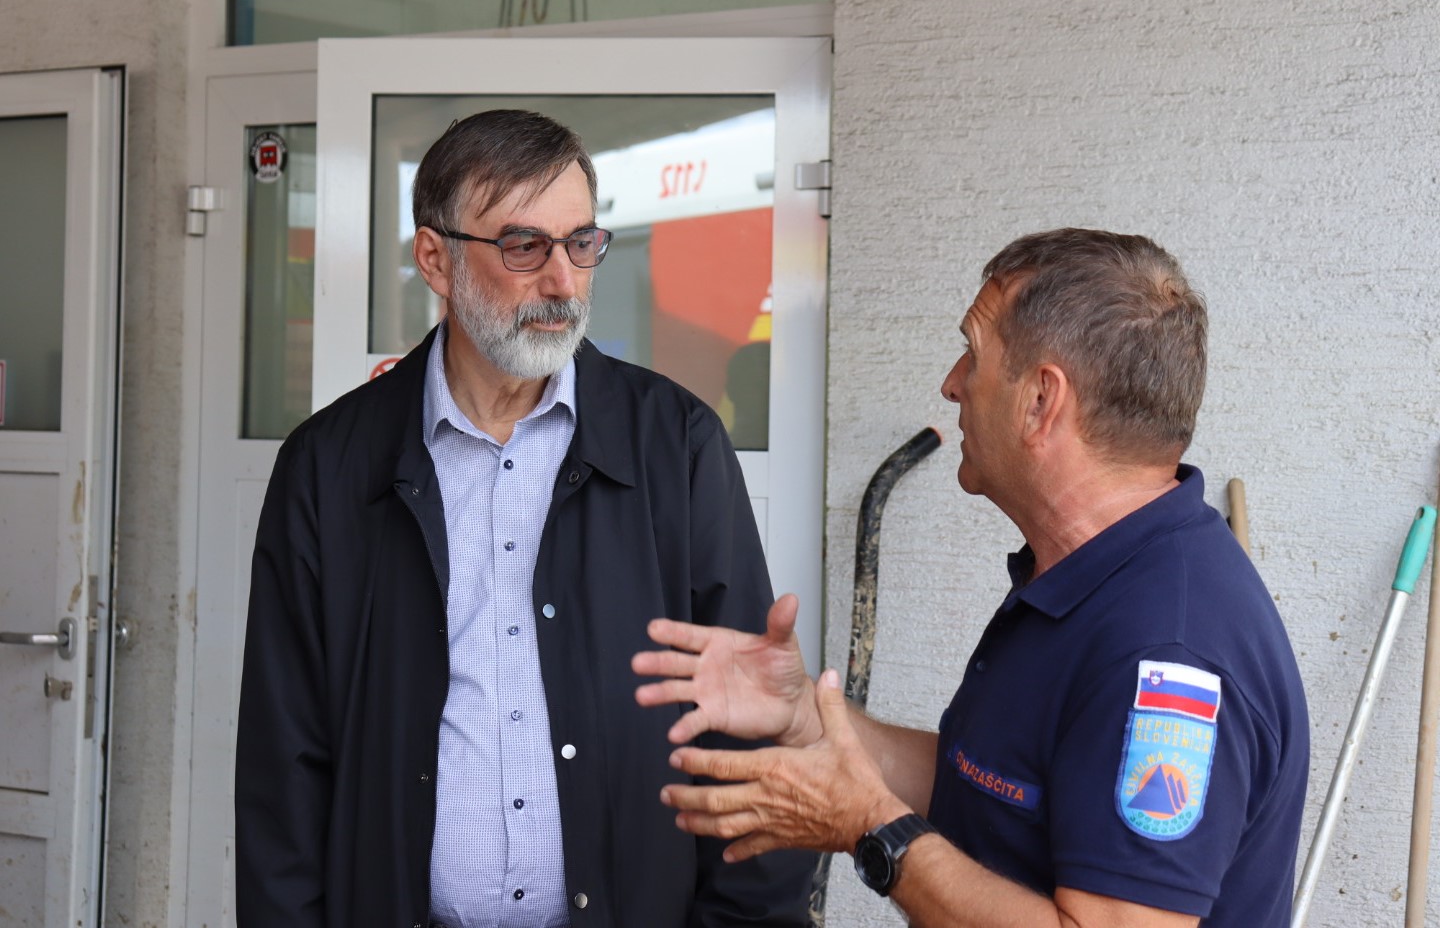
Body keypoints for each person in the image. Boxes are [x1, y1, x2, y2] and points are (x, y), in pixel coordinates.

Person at [236, 109, 815, 927]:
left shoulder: (674, 445)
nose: (563, 281)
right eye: (523, 246)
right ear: (435, 259)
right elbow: (282, 767)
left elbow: (747, 739)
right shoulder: (329, 466)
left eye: (582, 243)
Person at [634, 228, 1309, 928]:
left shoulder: (1167, 648)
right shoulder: (1082, 579)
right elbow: (986, 795)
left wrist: (872, 828)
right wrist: (805, 717)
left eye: (974, 354)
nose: (952, 383)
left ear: (1041, 401)